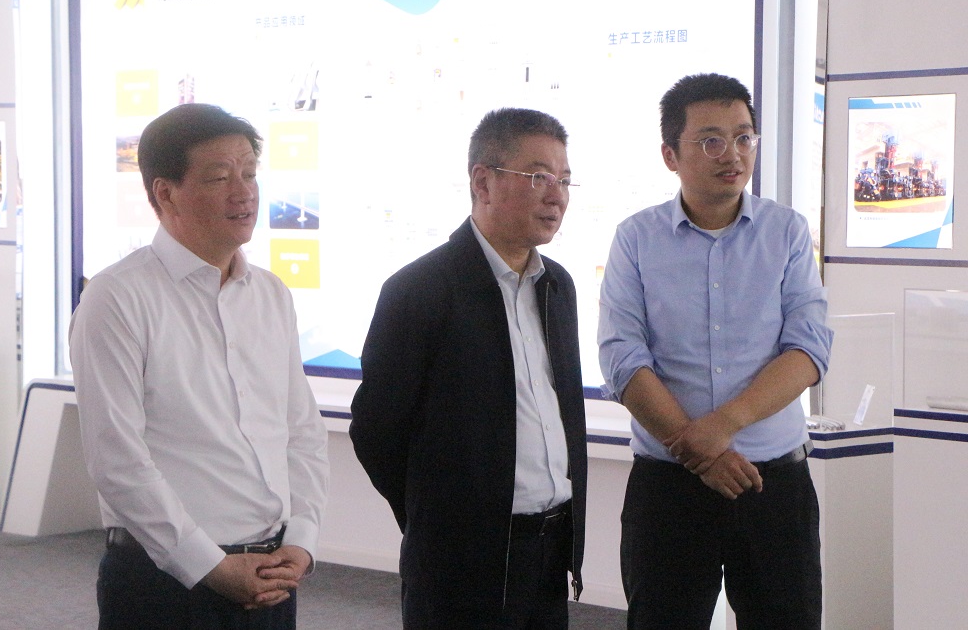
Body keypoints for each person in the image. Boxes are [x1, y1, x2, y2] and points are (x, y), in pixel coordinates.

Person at [69, 103, 330, 629]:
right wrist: (207, 565)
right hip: (164, 579)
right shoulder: (117, 298)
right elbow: (117, 458)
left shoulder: (271, 294)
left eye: (250, 173)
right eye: (219, 177)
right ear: (165, 193)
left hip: (273, 572)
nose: (244, 192)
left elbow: (301, 430)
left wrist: (301, 541)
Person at [598, 73, 833, 629]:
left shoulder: (787, 232)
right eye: (710, 140)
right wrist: (698, 452)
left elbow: (809, 348)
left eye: (743, 137)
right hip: (670, 487)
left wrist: (721, 426)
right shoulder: (636, 238)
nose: (732, 154)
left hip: (772, 485)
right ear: (670, 155)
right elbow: (622, 357)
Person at [349, 107, 588, 629]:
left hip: (550, 550)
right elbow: (376, 430)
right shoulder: (420, 289)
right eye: (539, 177)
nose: (557, 196)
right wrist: (438, 520)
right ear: (483, 182)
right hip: (459, 561)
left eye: (565, 180)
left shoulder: (558, 287)